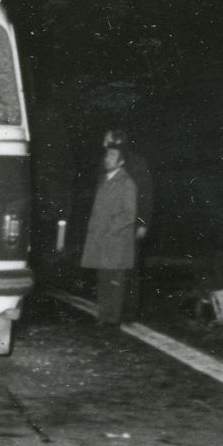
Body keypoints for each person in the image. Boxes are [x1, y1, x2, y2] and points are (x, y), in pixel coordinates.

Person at [82, 143, 140, 326]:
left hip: (115, 242)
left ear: (121, 162)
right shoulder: (105, 180)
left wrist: (109, 229)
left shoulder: (127, 183)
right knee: (103, 279)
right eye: (106, 156)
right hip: (102, 240)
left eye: (112, 156)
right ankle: (102, 316)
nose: (107, 159)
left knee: (114, 281)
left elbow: (129, 215)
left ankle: (112, 319)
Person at [103, 126, 153, 316]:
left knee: (130, 268)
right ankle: (113, 309)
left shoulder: (136, 164)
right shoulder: (107, 161)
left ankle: (129, 310)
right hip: (112, 224)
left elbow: (145, 195)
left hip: (130, 223)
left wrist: (142, 223)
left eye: (107, 140)